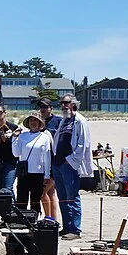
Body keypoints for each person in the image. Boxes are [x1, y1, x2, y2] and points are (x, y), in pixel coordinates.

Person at [50, 96, 92, 239]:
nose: (63, 106)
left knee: (72, 197)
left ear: (73, 104)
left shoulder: (79, 121)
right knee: (62, 197)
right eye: (61, 103)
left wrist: (71, 160)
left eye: (66, 103)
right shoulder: (64, 121)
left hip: (69, 164)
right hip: (58, 163)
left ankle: (75, 229)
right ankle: (66, 226)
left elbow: (83, 143)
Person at [13, 113, 53, 213]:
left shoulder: (44, 137)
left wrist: (47, 174)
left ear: (40, 123)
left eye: (35, 120)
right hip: (24, 172)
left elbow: (47, 157)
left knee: (35, 199)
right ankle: (21, 219)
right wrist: (14, 138)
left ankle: (34, 219)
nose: (33, 123)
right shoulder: (23, 136)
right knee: (22, 197)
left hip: (38, 173)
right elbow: (16, 153)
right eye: (31, 120)